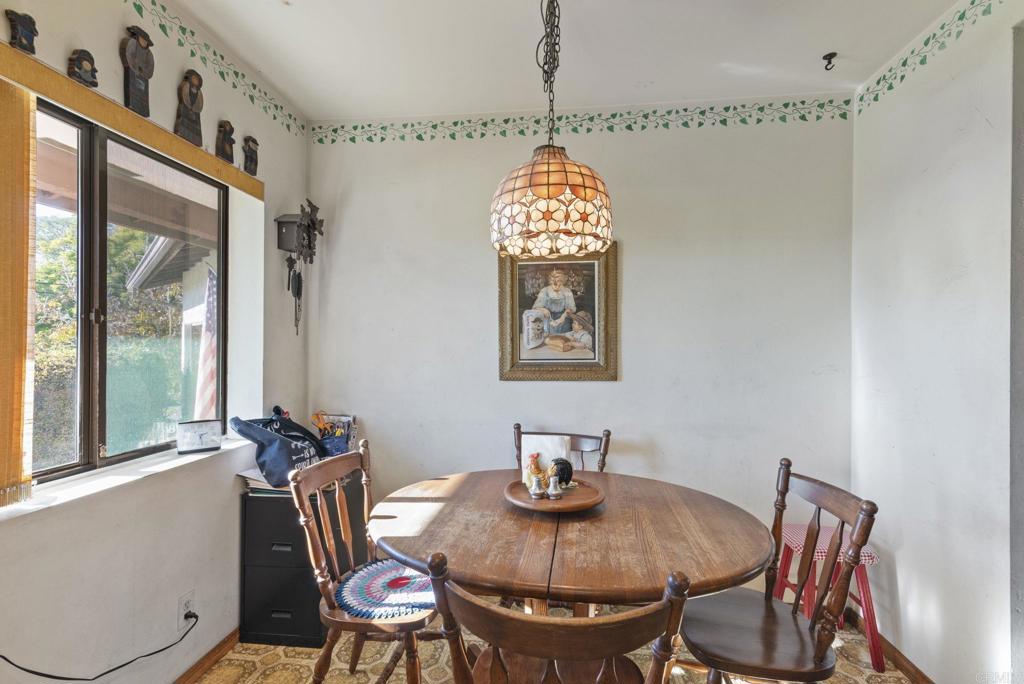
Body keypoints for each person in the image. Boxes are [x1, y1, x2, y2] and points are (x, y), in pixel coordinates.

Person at [532, 268, 576, 334]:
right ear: (550, 280)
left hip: (564, 319)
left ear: (562, 281)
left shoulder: (567, 291)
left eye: (558, 281)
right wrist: (544, 310)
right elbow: (535, 307)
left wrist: (562, 318)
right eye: (553, 281)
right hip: (548, 319)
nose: (555, 283)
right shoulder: (545, 291)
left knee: (563, 339)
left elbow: (571, 308)